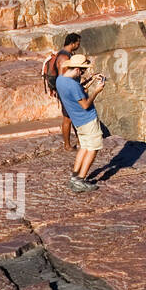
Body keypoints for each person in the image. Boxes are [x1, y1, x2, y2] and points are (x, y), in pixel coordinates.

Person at [56, 54, 107, 192]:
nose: (82, 73)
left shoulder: (60, 80)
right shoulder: (73, 85)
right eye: (83, 71)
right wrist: (96, 91)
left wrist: (90, 80)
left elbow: (77, 92)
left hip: (78, 122)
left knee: (84, 147)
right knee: (93, 148)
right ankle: (81, 180)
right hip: (88, 119)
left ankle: (74, 177)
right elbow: (85, 104)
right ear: (78, 69)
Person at [44, 33, 83, 151]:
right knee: (68, 118)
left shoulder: (67, 55)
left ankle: (80, 141)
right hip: (65, 91)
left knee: (74, 116)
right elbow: (62, 77)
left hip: (68, 89)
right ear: (73, 43)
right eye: (78, 43)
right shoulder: (64, 57)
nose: (79, 45)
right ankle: (67, 145)